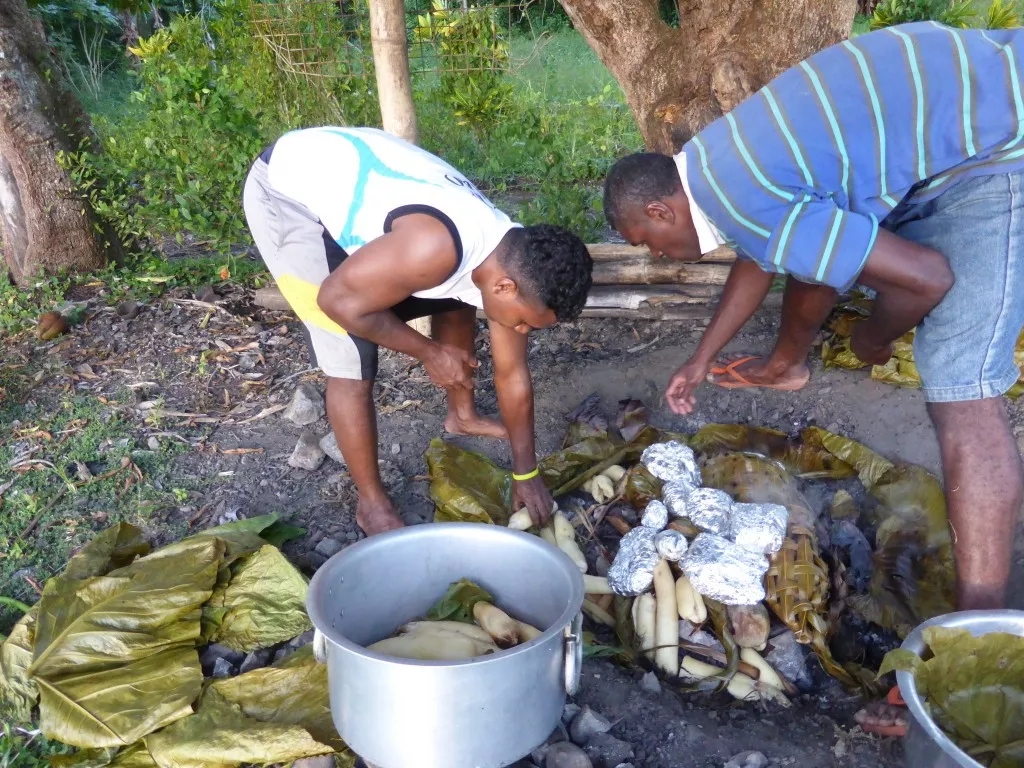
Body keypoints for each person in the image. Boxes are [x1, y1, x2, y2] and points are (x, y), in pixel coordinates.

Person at [603, 22, 1024, 735]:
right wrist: (706, 357)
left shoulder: (745, 201)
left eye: (652, 243)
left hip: (995, 148)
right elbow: (770, 255)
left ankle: (975, 646)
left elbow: (926, 277)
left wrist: (870, 337)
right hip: (974, 88)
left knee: (960, 390)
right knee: (846, 266)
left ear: (659, 209)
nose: (665, 256)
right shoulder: (718, 161)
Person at [244, 126, 593, 536]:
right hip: (287, 193)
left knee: (456, 298)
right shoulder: (433, 249)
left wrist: (525, 472)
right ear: (505, 287)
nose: (520, 329)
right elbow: (335, 301)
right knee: (352, 351)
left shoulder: (509, 262)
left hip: (356, 179)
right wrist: (429, 353)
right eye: (522, 321)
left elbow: (512, 373)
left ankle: (461, 417)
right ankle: (371, 504)